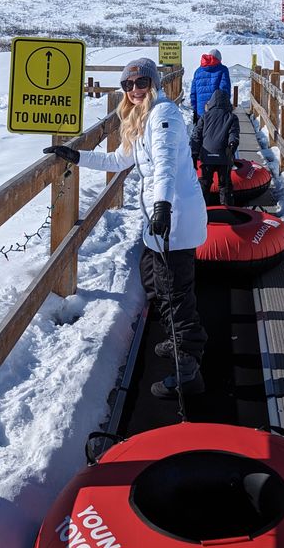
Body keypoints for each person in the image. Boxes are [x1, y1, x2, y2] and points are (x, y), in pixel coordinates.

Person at [44, 58, 208, 400]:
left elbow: (165, 167)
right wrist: (76, 156)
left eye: (141, 83)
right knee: (152, 277)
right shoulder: (142, 117)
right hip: (162, 215)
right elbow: (119, 160)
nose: (134, 90)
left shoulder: (163, 115)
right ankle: (179, 339)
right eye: (128, 85)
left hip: (174, 214)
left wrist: (162, 207)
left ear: (154, 84)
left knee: (175, 292)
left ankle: (187, 369)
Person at [189, 89, 240, 206]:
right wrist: (232, 145)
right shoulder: (232, 117)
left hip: (207, 156)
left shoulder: (204, 117)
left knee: (205, 183)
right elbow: (233, 133)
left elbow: (196, 136)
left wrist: (194, 154)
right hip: (224, 156)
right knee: (224, 185)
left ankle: (201, 209)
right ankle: (227, 209)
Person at [190, 48, 231, 123]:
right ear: (219, 59)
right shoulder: (223, 70)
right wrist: (227, 108)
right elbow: (224, 91)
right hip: (217, 112)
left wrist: (195, 109)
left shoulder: (198, 71)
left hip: (200, 112)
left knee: (202, 130)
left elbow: (193, 93)